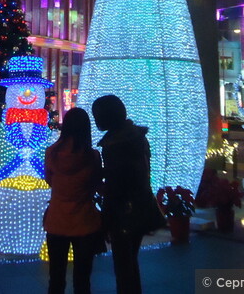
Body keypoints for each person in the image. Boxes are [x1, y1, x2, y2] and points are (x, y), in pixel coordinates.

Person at [91, 95, 162, 294]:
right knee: (129, 262)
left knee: (123, 266)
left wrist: (99, 185)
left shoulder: (116, 144)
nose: (96, 120)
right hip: (141, 206)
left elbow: (118, 183)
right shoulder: (135, 136)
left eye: (98, 115)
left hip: (123, 212)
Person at [44, 107, 104, 294]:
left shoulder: (51, 153)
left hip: (57, 220)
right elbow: (95, 184)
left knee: (56, 277)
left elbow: (49, 180)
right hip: (84, 221)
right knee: (83, 279)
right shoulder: (92, 156)